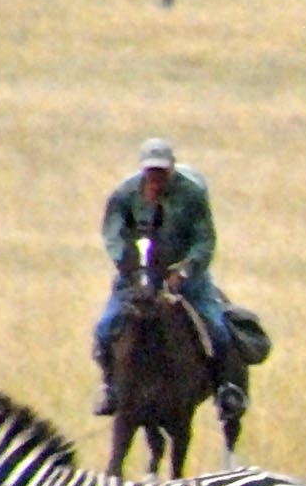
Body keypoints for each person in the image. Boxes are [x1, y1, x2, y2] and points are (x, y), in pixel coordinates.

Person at [92, 137, 245, 418]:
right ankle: (109, 387)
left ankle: (226, 390)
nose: (156, 178)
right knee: (104, 327)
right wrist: (127, 265)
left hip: (185, 276)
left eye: (162, 172)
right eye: (151, 172)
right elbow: (112, 235)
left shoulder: (192, 194)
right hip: (137, 275)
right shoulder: (125, 195)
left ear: (172, 168)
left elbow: (205, 240)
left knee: (218, 328)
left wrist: (185, 270)